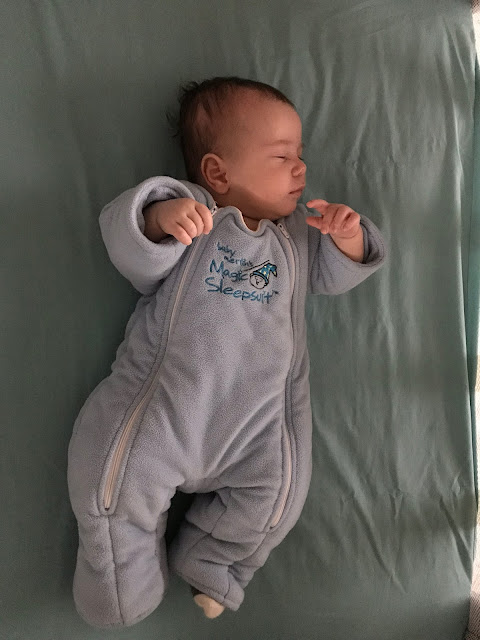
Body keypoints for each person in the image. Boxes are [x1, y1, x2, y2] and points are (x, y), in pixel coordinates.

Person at [67, 76, 386, 628]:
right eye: (283, 156)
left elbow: (338, 274)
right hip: (165, 406)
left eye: (300, 155)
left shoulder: (298, 237)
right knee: (111, 474)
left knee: (279, 495)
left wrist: (346, 236)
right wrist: (157, 220)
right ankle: (121, 577)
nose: (301, 169)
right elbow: (131, 248)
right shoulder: (195, 214)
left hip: (258, 421)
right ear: (218, 173)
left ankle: (213, 558)